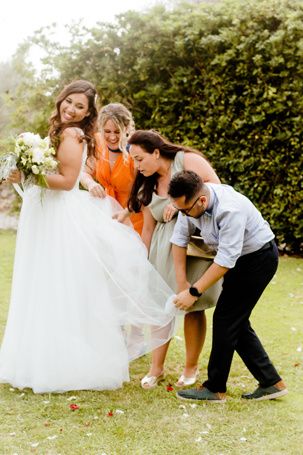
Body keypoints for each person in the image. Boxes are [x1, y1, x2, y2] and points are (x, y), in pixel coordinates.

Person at [0, 80, 176, 394]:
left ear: (87, 113)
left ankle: (63, 363)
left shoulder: (73, 134)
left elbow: (67, 182)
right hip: (45, 214)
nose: (71, 109)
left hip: (57, 216)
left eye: (79, 107)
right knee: (44, 284)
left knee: (58, 285)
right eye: (69, 102)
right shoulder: (62, 130)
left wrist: (30, 174)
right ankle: (41, 357)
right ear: (61, 100)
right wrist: (20, 174)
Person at [169, 170, 288, 402]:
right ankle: (271, 382)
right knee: (236, 322)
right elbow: (179, 240)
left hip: (258, 259)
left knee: (225, 319)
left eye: (185, 210)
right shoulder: (190, 205)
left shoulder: (230, 209)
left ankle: (215, 388)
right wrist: (182, 282)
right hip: (239, 260)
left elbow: (225, 260)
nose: (182, 215)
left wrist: (194, 292)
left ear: (201, 200)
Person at [126, 130, 222, 389]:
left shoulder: (187, 160)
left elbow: (218, 188)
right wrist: (142, 262)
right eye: (133, 160)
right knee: (161, 307)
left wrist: (182, 202)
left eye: (139, 159)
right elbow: (147, 228)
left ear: (156, 152)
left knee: (193, 307)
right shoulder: (147, 181)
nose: (137, 166)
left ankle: (190, 367)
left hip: (194, 247)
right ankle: (156, 369)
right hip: (162, 249)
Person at [80, 103, 143, 234]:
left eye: (117, 131)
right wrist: (91, 184)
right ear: (101, 128)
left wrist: (127, 212)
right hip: (108, 212)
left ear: (126, 128)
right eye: (107, 132)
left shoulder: (137, 148)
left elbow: (145, 189)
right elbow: (84, 173)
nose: (112, 137)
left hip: (135, 214)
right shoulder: (97, 142)